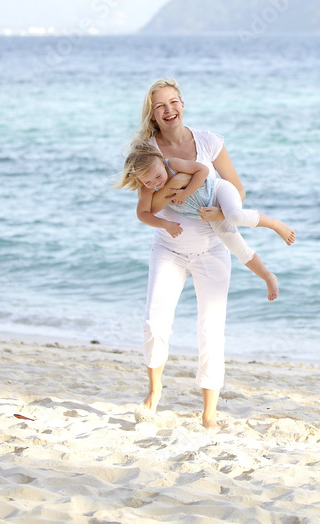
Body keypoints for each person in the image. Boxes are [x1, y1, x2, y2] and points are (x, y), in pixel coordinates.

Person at [121, 78, 292, 430]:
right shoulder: (147, 152)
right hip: (168, 250)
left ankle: (209, 415)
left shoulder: (209, 142)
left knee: (211, 331)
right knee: (155, 322)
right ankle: (154, 394)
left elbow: (237, 189)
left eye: (174, 102)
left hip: (212, 248)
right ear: (152, 115)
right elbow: (146, 206)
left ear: (183, 104)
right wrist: (169, 203)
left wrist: (221, 212)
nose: (169, 110)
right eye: (160, 106)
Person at [115, 141, 296, 301]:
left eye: (158, 176)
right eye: (147, 182)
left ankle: (274, 223)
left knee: (234, 216)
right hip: (206, 213)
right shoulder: (147, 188)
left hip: (218, 191)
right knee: (236, 247)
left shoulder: (173, 165)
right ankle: (267, 276)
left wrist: (185, 193)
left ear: (162, 162)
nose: (156, 183)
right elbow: (142, 214)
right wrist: (165, 224)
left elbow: (203, 170)